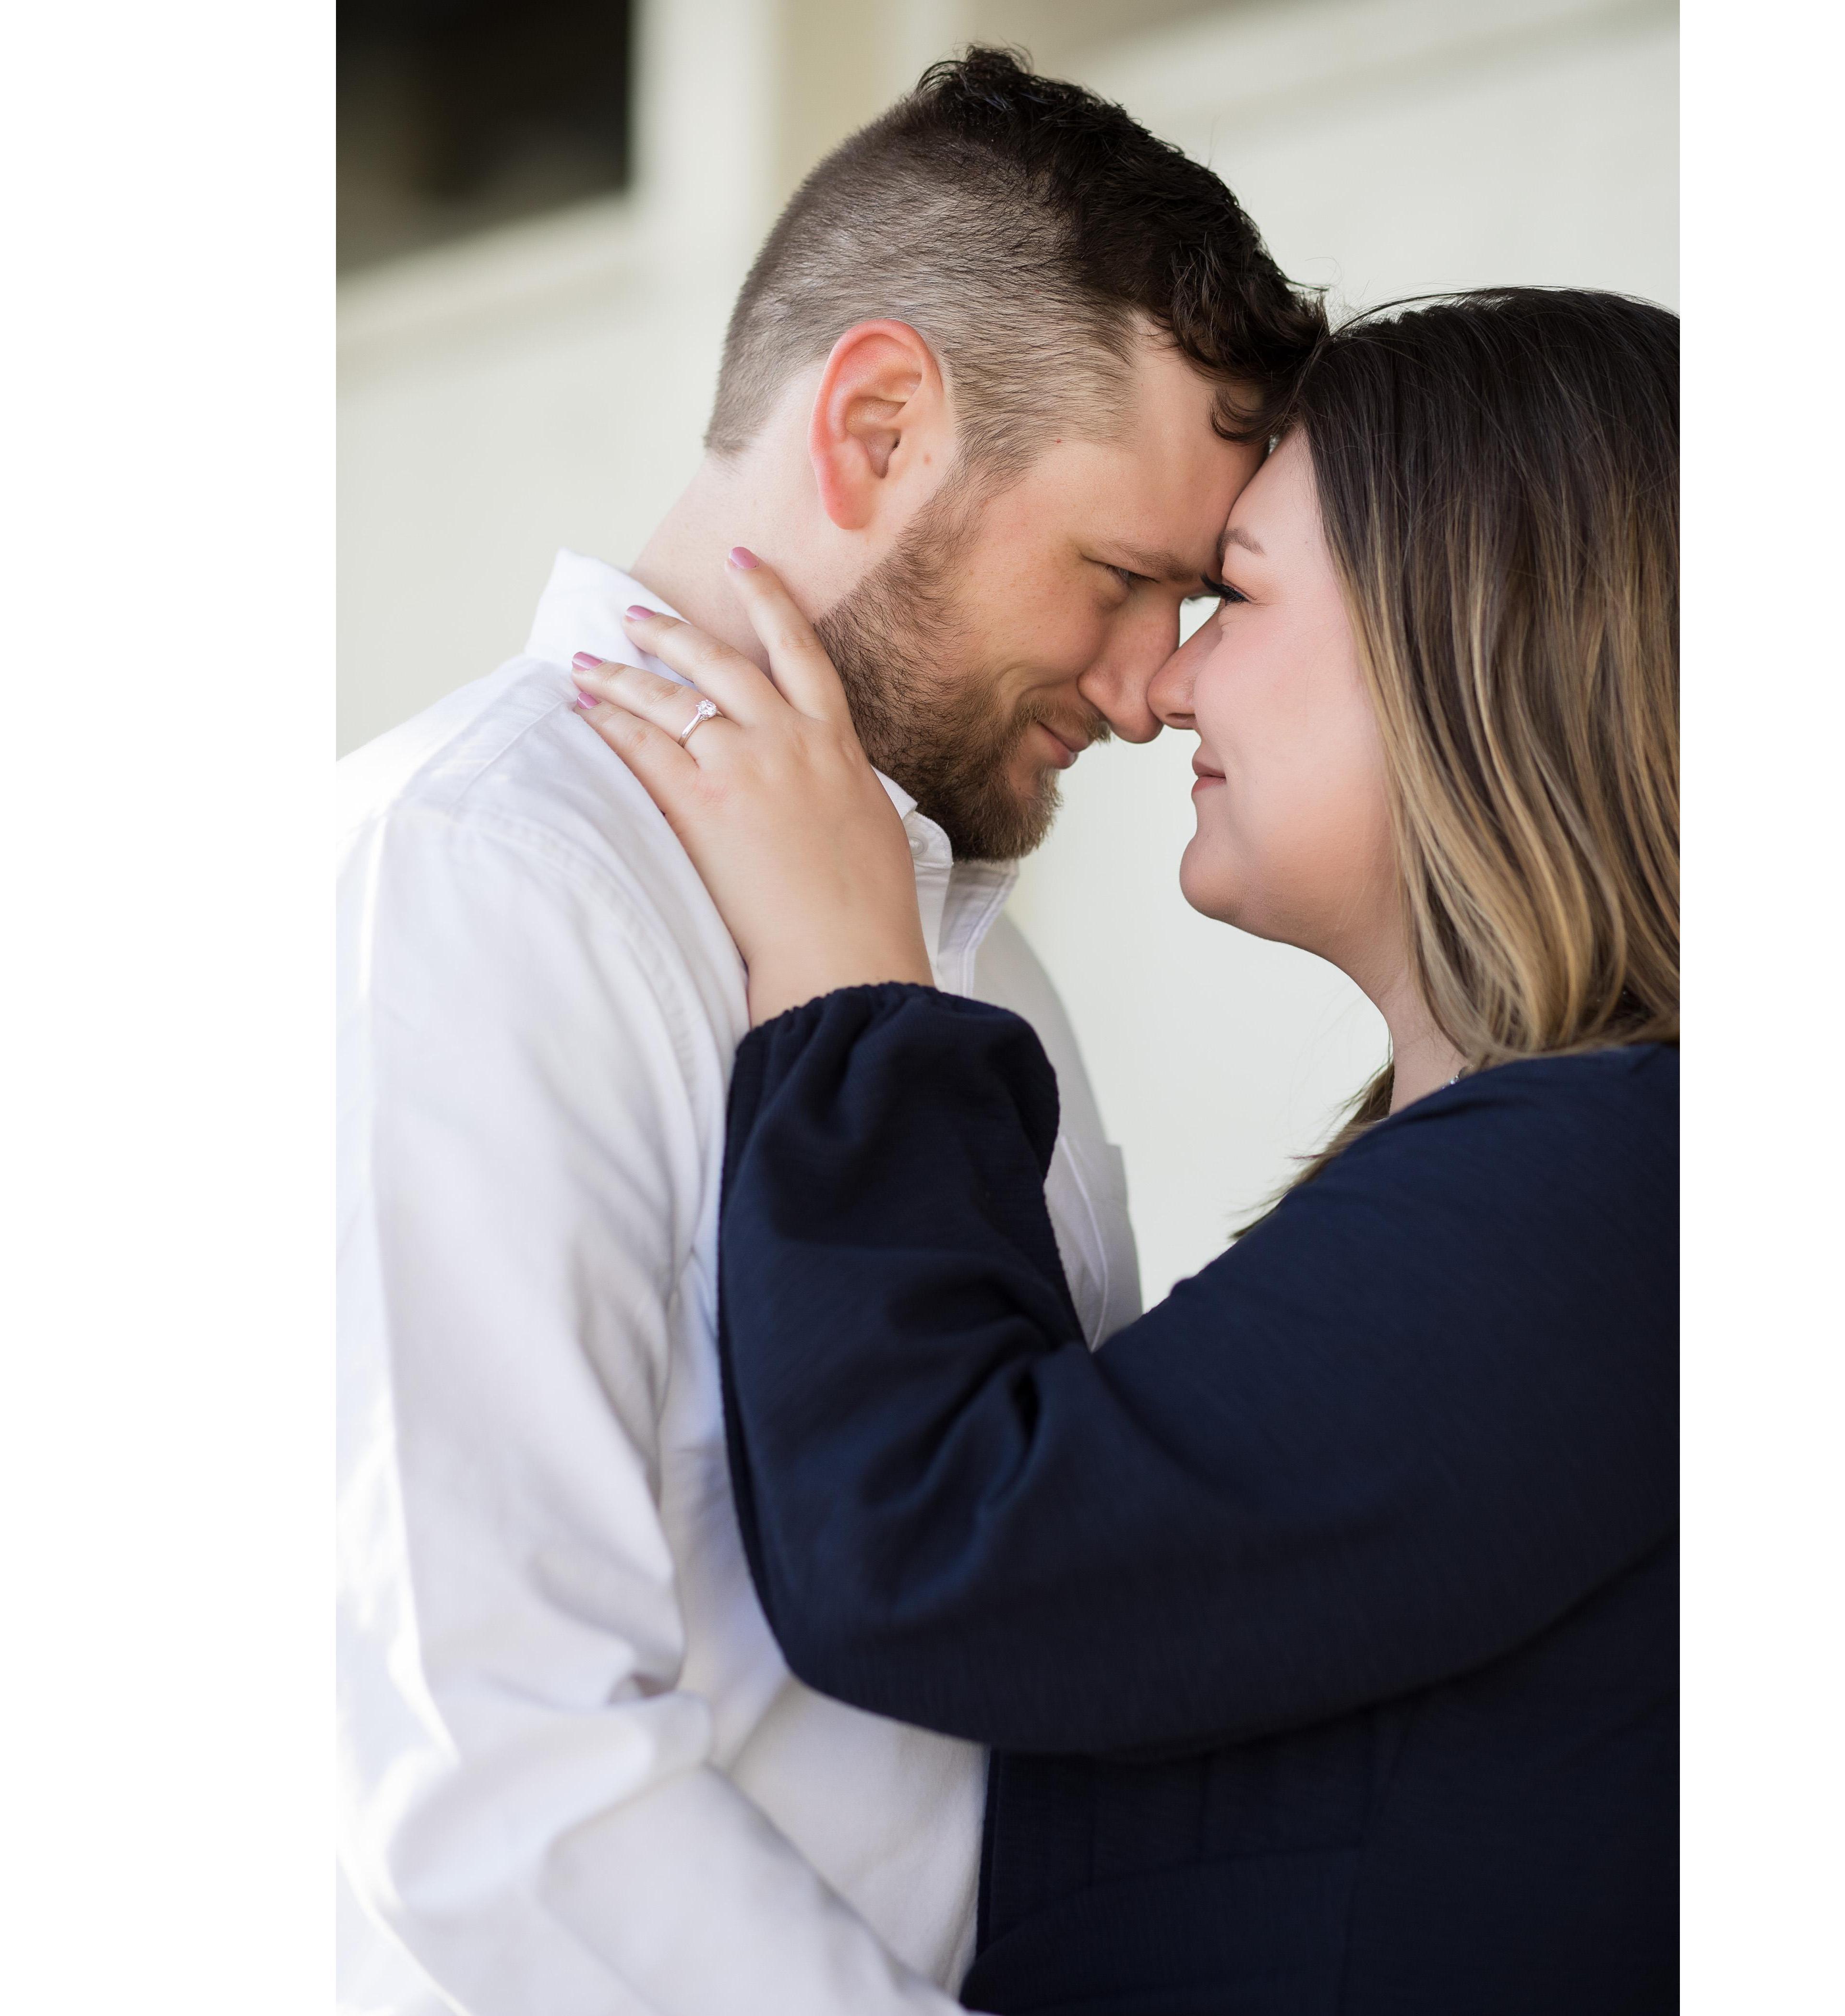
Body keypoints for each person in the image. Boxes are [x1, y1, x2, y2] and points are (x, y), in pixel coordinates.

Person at [335, 48, 1326, 2016]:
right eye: (1124, 580)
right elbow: (489, 1774)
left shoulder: (970, 957)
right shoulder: (475, 887)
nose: (1150, 695)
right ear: (874, 427)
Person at [573, 287, 1681, 2015]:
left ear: (1474, 628)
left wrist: (853, 982)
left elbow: (945, 1544)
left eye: (1230, 595)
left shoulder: (1630, 1191)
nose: (1162, 684)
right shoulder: (1581, 1185)